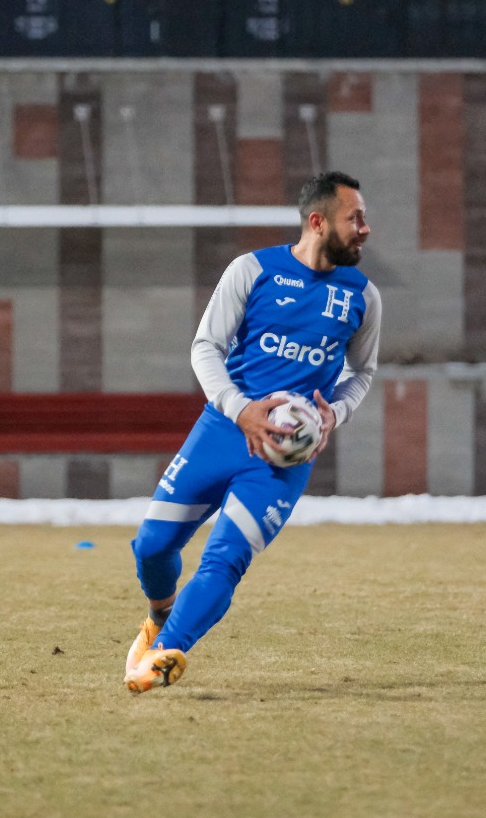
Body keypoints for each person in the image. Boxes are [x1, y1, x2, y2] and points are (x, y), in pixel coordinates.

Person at [123, 170, 382, 692]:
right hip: (221, 432)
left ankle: (164, 653)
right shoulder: (253, 270)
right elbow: (206, 347)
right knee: (151, 546)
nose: (365, 228)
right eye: (354, 218)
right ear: (318, 222)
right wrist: (240, 409)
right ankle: (159, 616)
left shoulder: (363, 296)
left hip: (283, 462)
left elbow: (362, 373)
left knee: (224, 560)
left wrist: (335, 413)